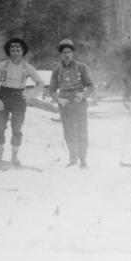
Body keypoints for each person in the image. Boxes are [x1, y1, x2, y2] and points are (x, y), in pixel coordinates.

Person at [0, 37, 45, 166]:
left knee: (17, 127)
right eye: (12, 50)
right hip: (3, 96)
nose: (15, 52)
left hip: (18, 98)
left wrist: (30, 94)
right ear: (9, 51)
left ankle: (14, 155)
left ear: (22, 51)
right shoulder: (2, 65)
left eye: (18, 50)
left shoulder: (28, 67)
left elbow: (40, 83)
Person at [48, 39, 95, 168]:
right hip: (65, 104)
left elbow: (91, 86)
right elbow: (51, 90)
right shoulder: (56, 70)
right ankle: (73, 159)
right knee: (69, 131)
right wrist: (59, 99)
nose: (67, 55)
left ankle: (83, 160)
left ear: (73, 53)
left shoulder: (82, 67)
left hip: (79, 102)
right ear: (60, 54)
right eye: (64, 52)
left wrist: (83, 94)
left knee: (81, 130)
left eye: (69, 52)